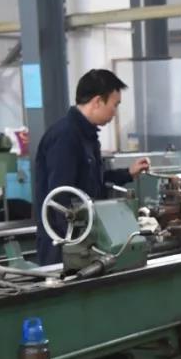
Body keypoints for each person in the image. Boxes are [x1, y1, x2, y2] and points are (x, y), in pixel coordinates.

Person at [32, 69, 149, 265]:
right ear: (97, 102)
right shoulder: (65, 136)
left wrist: (128, 173)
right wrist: (74, 245)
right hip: (65, 247)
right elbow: (60, 198)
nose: (115, 112)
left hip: (86, 240)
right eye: (115, 105)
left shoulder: (87, 136)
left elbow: (94, 182)